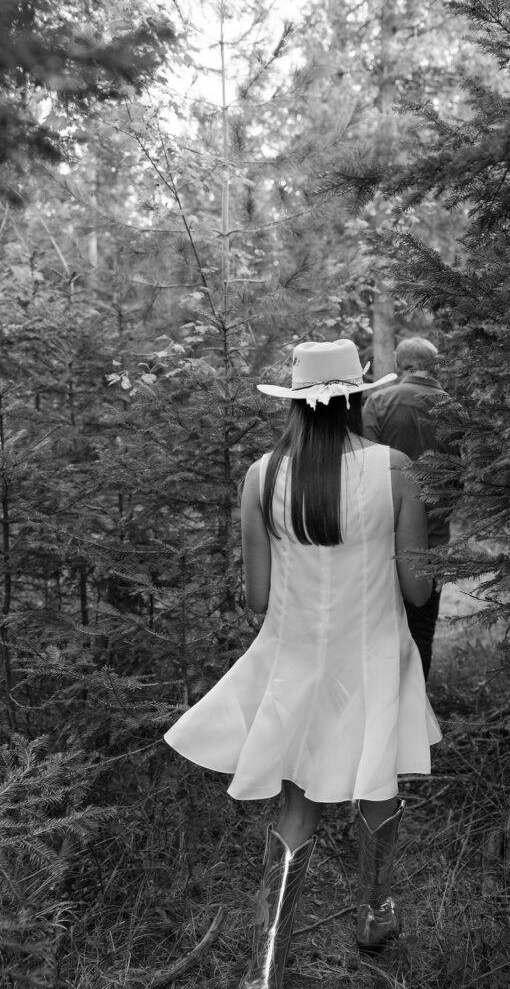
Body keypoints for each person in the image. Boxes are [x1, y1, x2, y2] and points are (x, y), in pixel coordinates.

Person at [164, 339, 442, 989]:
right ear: (355, 397)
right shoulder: (395, 470)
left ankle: (266, 969)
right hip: (373, 654)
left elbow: (258, 596)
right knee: (378, 786)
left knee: (295, 808)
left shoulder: (263, 475)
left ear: (294, 402)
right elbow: (417, 591)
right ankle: (373, 916)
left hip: (297, 662)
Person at [363, 337, 450, 680]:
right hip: (434, 538)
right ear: (435, 365)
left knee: (379, 628)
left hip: (383, 536)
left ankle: (380, 700)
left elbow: (363, 468)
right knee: (422, 630)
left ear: (400, 365)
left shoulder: (379, 402)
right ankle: (416, 704)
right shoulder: (454, 409)